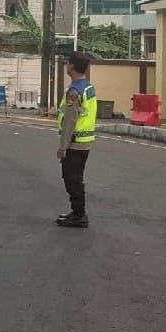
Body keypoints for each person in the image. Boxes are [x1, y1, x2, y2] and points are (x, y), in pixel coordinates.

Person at [56, 52, 97, 228]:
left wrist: (62, 146)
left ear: (72, 66)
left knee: (72, 179)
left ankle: (79, 215)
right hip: (84, 142)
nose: (66, 65)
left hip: (74, 142)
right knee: (75, 177)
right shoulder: (88, 87)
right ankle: (76, 212)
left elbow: (70, 120)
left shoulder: (74, 91)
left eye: (68, 63)